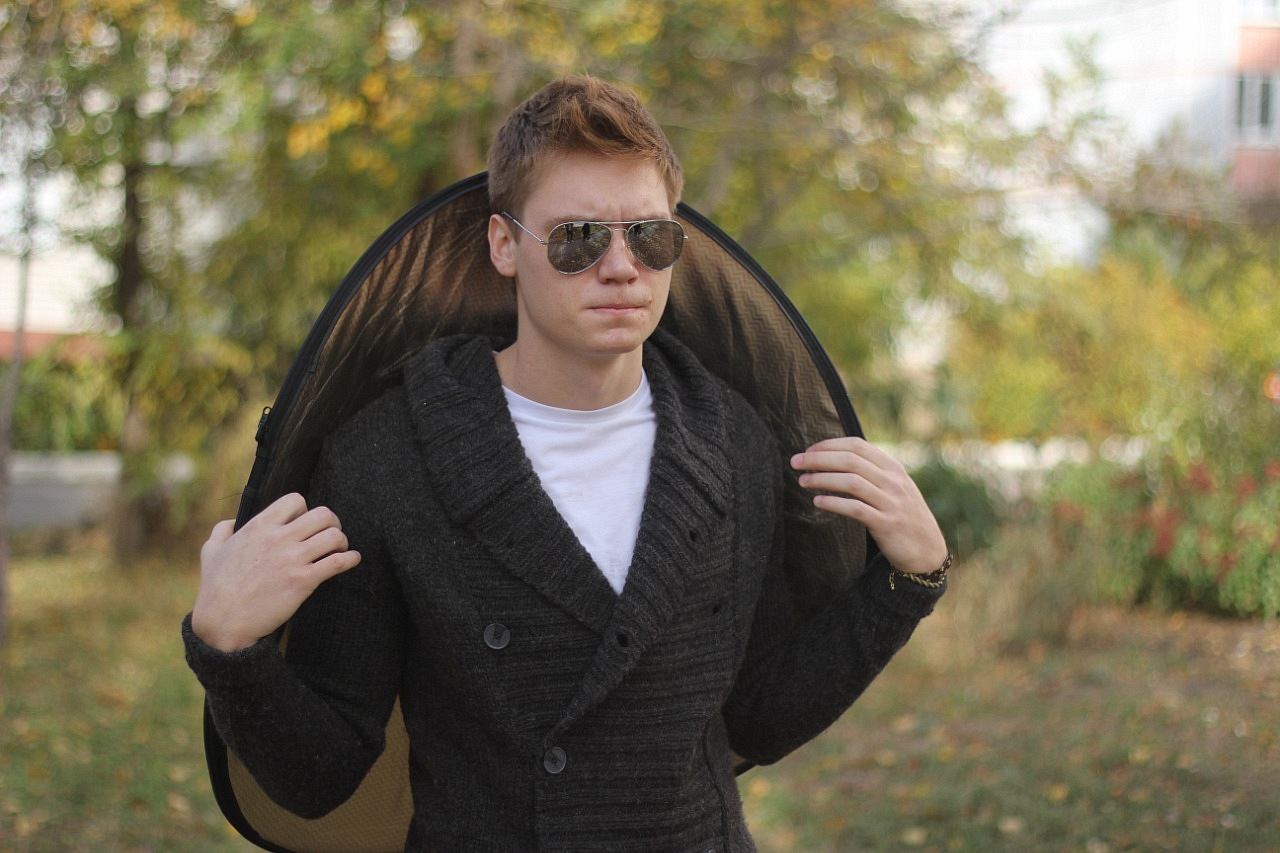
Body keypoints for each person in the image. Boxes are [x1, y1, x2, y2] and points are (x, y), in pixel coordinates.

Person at [183, 75, 950, 851]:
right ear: (504, 244)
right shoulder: (386, 457)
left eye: (650, 236)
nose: (621, 266)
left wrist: (906, 583)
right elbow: (322, 775)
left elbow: (756, 714)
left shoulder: (734, 441)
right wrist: (227, 648)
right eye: (578, 237)